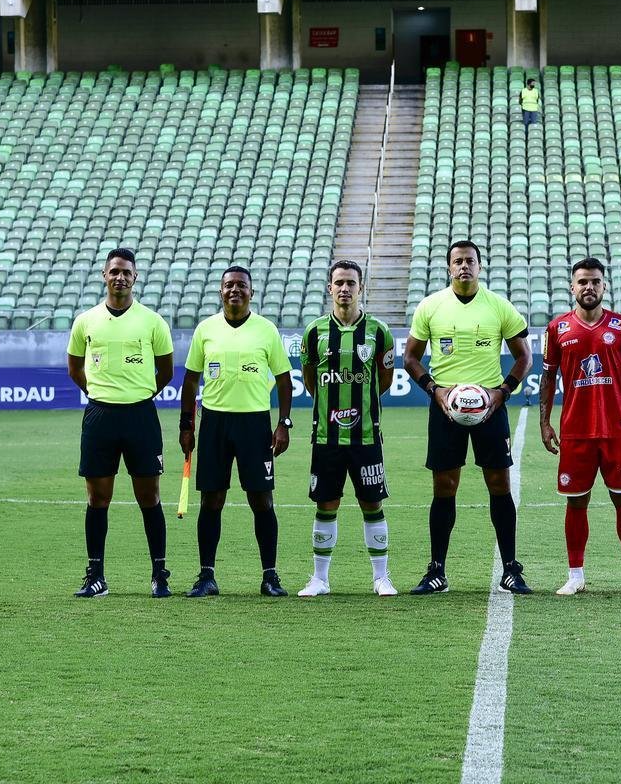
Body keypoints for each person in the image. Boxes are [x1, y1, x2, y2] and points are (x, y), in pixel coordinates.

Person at [403, 240, 534, 595]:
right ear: (449, 267)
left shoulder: (498, 306)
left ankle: (510, 568)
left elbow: (525, 357)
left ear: (479, 266)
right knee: (444, 487)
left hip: (490, 406)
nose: (464, 266)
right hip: (446, 407)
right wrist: (436, 390)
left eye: (470, 261)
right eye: (458, 261)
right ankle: (436, 571)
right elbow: (411, 358)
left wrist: (502, 392)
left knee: (499, 484)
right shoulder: (431, 307)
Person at [179, 266, 293, 598]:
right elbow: (189, 380)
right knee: (211, 499)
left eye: (241, 285)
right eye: (229, 285)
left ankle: (270, 576)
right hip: (214, 422)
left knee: (261, 499)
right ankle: (206, 576)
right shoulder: (206, 329)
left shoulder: (266, 330)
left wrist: (283, 423)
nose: (234, 290)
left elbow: (284, 381)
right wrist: (187, 424)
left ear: (251, 293)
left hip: (254, 423)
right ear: (220, 291)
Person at [67, 248, 175, 598]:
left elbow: (167, 370)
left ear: (135, 277)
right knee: (98, 497)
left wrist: (138, 394)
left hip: (141, 415)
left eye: (126, 272)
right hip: (100, 416)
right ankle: (96, 576)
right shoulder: (86, 321)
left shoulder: (152, 321)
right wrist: (100, 393)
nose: (120, 277)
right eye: (114, 271)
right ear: (104, 275)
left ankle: (159, 573)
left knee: (150, 496)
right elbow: (74, 367)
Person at [539, 258, 621, 596]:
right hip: (575, 430)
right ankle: (575, 574)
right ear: (572, 287)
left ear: (604, 286)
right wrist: (545, 422)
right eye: (582, 282)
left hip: (616, 429)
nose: (589, 287)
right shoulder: (557, 329)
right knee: (575, 503)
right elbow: (548, 377)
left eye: (595, 282)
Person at [297, 260, 397, 597]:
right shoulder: (314, 333)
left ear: (360, 288)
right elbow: (311, 381)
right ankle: (320, 579)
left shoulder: (379, 332)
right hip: (326, 437)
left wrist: (360, 406)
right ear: (329, 288)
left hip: (366, 435)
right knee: (326, 504)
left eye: (350, 283)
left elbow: (384, 380)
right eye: (338, 282)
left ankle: (381, 578)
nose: (344, 289)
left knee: (372, 503)